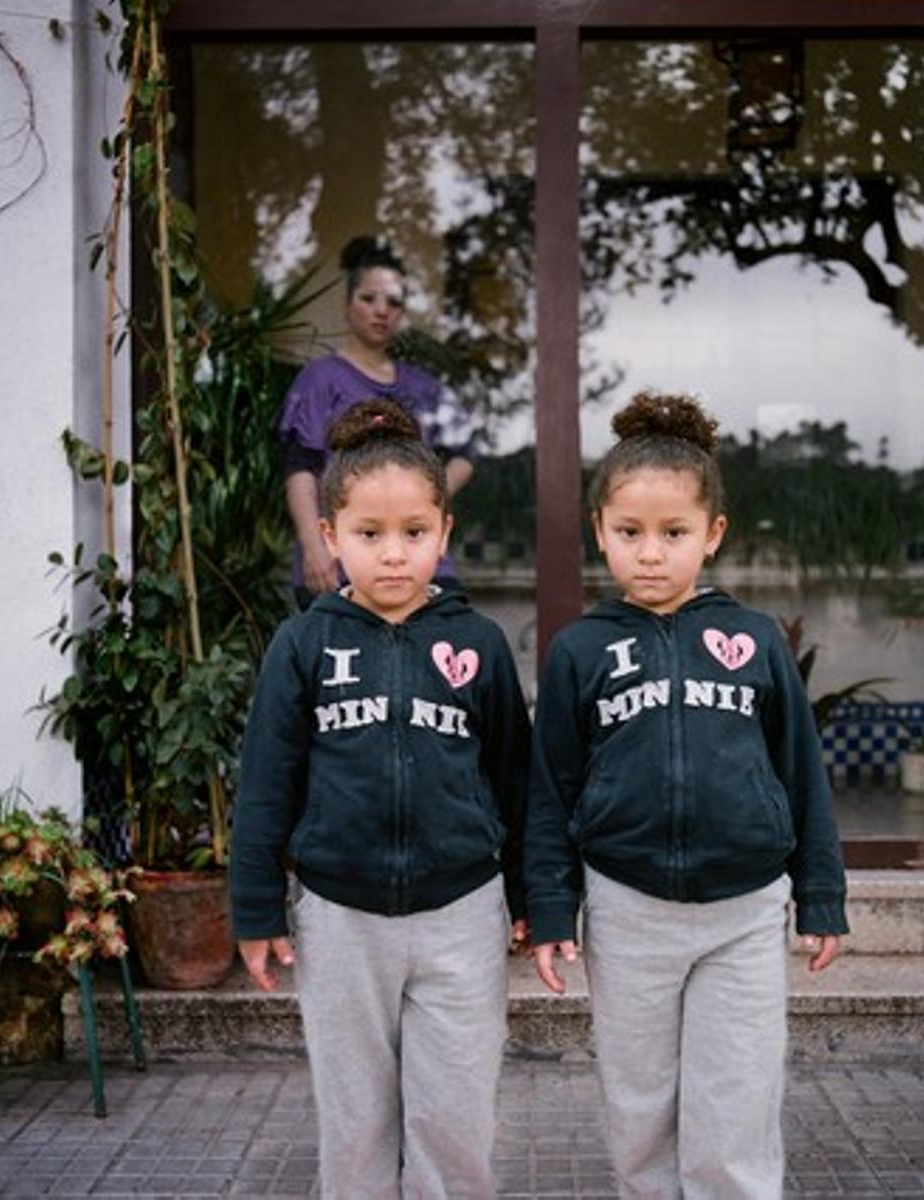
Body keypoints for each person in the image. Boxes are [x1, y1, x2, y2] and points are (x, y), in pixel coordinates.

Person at [524, 391, 848, 1199]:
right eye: (630, 533)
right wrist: (552, 910)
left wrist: (821, 895)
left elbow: (800, 772)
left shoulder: (757, 642)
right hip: (629, 910)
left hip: (744, 911)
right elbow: (550, 790)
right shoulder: (580, 652)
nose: (651, 553)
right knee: (640, 1104)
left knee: (735, 1100)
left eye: (674, 534)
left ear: (712, 535)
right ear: (600, 529)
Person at [230, 398, 530, 1199]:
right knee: (356, 1120)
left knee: (455, 1119)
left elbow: (515, 777)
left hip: (462, 914)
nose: (394, 555)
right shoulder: (304, 645)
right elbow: (266, 781)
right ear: (330, 536)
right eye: (369, 535)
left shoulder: (478, 644)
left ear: (444, 531)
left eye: (414, 533)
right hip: (339, 917)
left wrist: (534, 895)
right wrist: (255, 905)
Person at [281, 234, 474, 606]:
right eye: (369, 299)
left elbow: (465, 452)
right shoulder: (320, 378)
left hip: (424, 568)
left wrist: (427, 498)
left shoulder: (424, 388)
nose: (381, 310)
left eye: (394, 303)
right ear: (348, 304)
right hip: (340, 564)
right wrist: (312, 544)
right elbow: (300, 466)